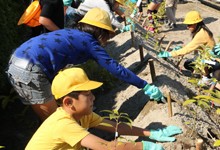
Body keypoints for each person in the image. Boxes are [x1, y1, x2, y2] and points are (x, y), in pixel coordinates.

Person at [6, 8, 163, 121]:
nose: (107, 41)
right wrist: (144, 85)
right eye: (107, 36)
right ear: (101, 32)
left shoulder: (72, 33)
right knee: (56, 121)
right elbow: (116, 69)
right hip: (30, 69)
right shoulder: (90, 43)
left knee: (58, 115)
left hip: (18, 59)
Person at [25, 67, 183, 150]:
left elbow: (115, 126)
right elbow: (106, 147)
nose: (93, 97)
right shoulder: (63, 124)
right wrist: (144, 146)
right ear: (68, 102)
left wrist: (151, 133)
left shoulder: (82, 115)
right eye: (87, 94)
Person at [64, 0, 132, 32]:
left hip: (76, 12)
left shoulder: (104, 3)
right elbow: (111, 19)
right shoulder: (103, 4)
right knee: (83, 32)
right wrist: (124, 27)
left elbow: (111, 13)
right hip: (75, 14)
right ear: (113, 1)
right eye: (118, 4)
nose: (118, 6)